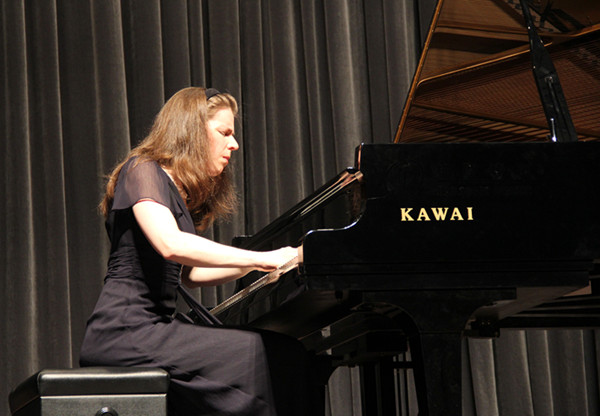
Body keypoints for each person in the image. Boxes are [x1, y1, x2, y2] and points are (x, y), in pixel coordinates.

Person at [80, 87, 324, 416]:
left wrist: (286, 258)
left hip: (151, 329)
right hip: (124, 331)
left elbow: (191, 274)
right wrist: (261, 257)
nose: (234, 144)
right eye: (224, 132)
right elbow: (170, 244)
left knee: (286, 355)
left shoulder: (172, 190)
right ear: (192, 131)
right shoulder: (141, 170)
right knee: (270, 356)